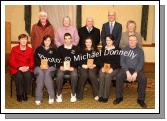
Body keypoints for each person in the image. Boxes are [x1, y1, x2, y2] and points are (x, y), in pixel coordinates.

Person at [113, 35, 147, 108]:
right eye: (130, 40)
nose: (132, 42)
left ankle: (141, 99)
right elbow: (122, 62)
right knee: (119, 76)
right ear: (128, 41)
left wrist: (135, 73)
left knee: (143, 78)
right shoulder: (124, 50)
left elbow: (141, 63)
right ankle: (119, 97)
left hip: (137, 70)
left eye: (133, 40)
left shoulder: (140, 51)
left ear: (136, 41)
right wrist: (127, 72)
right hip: (126, 69)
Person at [9, 34, 34, 102]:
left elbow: (32, 61)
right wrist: (19, 67)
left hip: (27, 68)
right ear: (19, 40)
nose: (24, 41)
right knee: (19, 76)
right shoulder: (14, 49)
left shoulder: (30, 49)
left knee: (28, 75)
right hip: (17, 68)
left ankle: (25, 93)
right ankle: (19, 94)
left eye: (25, 39)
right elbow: (11, 61)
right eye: (22, 39)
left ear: (27, 40)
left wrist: (28, 67)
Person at [34, 35, 57, 105]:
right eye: (46, 40)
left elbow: (55, 60)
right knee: (41, 74)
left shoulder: (54, 50)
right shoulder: (38, 49)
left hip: (50, 67)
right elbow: (36, 60)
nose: (47, 42)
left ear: (51, 42)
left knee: (47, 74)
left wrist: (48, 65)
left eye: (49, 40)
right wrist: (40, 65)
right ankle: (38, 97)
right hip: (39, 67)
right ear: (43, 41)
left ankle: (51, 96)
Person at [56, 33, 78, 103]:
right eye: (66, 38)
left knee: (74, 75)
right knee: (59, 75)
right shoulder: (60, 48)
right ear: (64, 40)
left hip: (72, 68)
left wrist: (73, 67)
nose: (67, 40)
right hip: (63, 68)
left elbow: (78, 60)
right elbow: (57, 60)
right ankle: (59, 94)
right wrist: (60, 66)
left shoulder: (76, 48)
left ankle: (73, 94)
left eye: (69, 38)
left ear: (71, 39)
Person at [98, 35, 120, 103]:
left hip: (114, 68)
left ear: (113, 41)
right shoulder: (103, 49)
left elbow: (118, 62)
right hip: (104, 67)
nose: (108, 42)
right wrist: (102, 67)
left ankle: (105, 96)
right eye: (107, 40)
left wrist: (112, 69)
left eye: (110, 40)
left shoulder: (117, 49)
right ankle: (100, 95)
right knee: (101, 74)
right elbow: (99, 60)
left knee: (108, 76)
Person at [77, 37, 99, 101]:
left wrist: (94, 65)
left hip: (93, 67)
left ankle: (96, 94)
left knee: (92, 75)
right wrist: (82, 65)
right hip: (84, 66)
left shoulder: (95, 50)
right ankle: (79, 94)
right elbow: (78, 60)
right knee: (84, 75)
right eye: (87, 42)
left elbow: (98, 60)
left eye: (90, 42)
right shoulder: (81, 50)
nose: (88, 44)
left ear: (92, 43)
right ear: (85, 43)